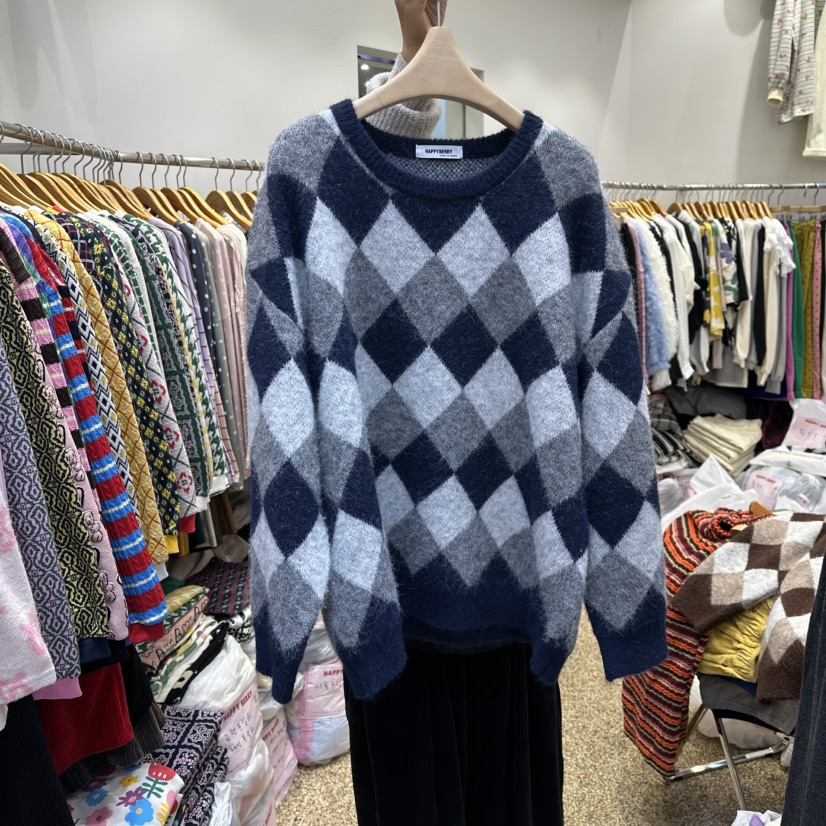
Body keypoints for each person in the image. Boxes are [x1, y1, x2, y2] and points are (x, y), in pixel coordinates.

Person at [345, 4, 566, 824]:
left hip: (509, 594)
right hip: (389, 601)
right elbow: (284, 407)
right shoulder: (315, 182)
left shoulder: (560, 187)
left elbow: (607, 402)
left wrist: (622, 600)